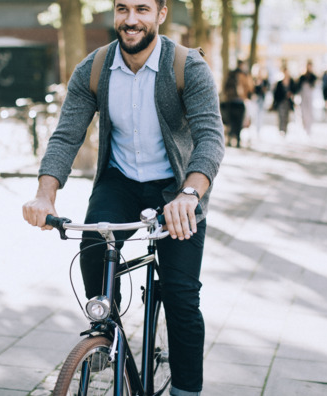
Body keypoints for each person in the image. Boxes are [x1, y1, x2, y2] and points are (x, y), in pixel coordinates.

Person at [21, 0, 225, 393]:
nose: (131, 20)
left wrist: (189, 194)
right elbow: (67, 134)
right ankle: (105, 334)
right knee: (93, 247)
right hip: (121, 181)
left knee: (182, 298)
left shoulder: (187, 66)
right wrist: (45, 196)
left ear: (161, 15)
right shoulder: (95, 69)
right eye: (122, 8)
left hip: (176, 187)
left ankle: (186, 390)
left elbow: (211, 138)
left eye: (143, 9)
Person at [221, 60, 253, 148]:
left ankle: (233, 139)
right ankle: (236, 139)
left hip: (233, 101)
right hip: (238, 101)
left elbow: (225, 87)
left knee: (233, 121)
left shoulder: (232, 74)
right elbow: (249, 88)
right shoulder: (243, 75)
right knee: (237, 122)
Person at [272, 66, 297, 136]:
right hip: (281, 102)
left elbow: (294, 90)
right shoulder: (279, 83)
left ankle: (285, 130)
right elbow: (276, 93)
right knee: (281, 116)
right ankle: (281, 130)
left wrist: (291, 94)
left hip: (288, 102)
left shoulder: (291, 81)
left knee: (286, 117)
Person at [297, 60, 317, 135]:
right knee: (303, 112)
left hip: (310, 97)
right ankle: (304, 126)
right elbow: (298, 87)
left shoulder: (313, 76)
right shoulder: (302, 77)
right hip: (303, 97)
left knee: (309, 112)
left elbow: (314, 86)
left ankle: (309, 128)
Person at [253, 69, 270, 134]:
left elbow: (267, 88)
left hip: (262, 99)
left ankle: (259, 128)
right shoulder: (255, 80)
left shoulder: (265, 81)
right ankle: (256, 127)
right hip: (256, 99)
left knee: (260, 113)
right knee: (256, 113)